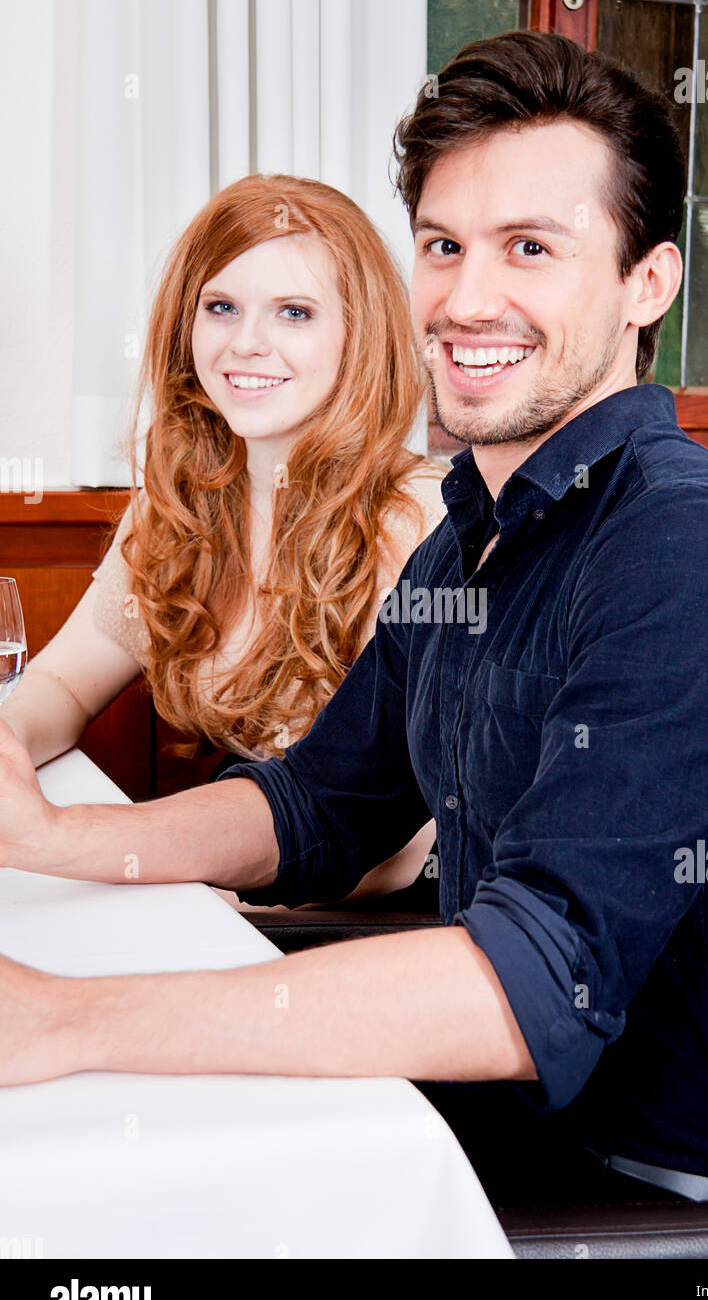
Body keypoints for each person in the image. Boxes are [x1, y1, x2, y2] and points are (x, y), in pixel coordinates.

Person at [0, 33, 708, 1210]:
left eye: (529, 249)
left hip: (632, 1192)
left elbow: (533, 979)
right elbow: (317, 804)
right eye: (443, 246)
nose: (467, 295)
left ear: (648, 282)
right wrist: (43, 840)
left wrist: (68, 1019)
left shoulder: (687, 545)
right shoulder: (475, 527)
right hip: (468, 1121)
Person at [0, 173, 446, 896]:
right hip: (240, 871)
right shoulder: (178, 505)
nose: (246, 343)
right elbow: (59, 681)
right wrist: (8, 747)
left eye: (294, 313)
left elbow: (391, 843)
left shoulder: (417, 519)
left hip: (377, 912)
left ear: (358, 337)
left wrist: (189, 878)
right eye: (222, 307)